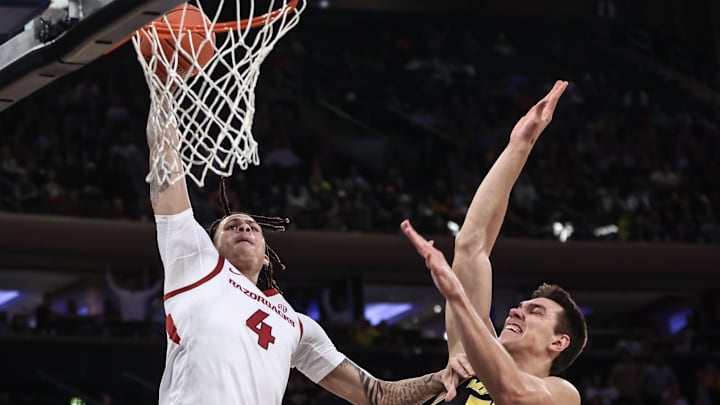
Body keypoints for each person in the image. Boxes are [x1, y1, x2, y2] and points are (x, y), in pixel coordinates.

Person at [146, 113, 470, 404]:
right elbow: (166, 172)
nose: (244, 226)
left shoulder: (297, 325)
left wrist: (437, 380)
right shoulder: (195, 268)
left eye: (253, 228)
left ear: (267, 259)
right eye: (232, 226)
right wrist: (163, 95)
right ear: (211, 249)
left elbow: (378, 395)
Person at [407, 80, 588, 404]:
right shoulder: (468, 362)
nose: (516, 312)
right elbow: (471, 244)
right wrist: (520, 144)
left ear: (558, 342)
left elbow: (513, 393)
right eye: (521, 307)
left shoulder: (562, 394)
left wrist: (457, 296)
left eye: (535, 312)